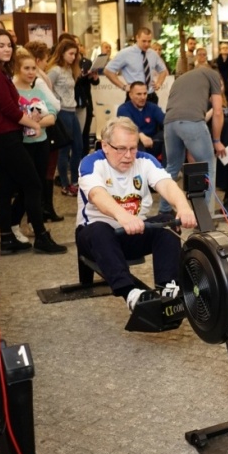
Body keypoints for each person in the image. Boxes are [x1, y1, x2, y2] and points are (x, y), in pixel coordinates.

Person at [76, 117, 197, 311]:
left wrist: (183, 207)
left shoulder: (145, 160)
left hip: (132, 234)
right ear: (105, 146)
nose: (129, 155)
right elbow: (97, 195)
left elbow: (167, 185)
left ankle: (168, 289)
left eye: (133, 148)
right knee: (99, 230)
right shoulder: (91, 163)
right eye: (121, 149)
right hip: (95, 238)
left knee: (167, 222)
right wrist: (123, 217)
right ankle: (130, 293)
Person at [0, 28, 67, 254]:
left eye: (9, 45)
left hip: (7, 135)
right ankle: (41, 236)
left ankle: (7, 238)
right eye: (1, 45)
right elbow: (8, 108)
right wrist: (34, 123)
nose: (6, 49)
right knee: (33, 184)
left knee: (7, 188)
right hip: (6, 137)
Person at [159, 65, 225, 214]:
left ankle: (164, 210)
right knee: (208, 167)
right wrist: (217, 140)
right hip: (192, 122)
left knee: (172, 167)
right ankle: (204, 217)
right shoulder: (212, 73)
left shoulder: (181, 78)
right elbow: (218, 111)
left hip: (169, 122)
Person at [8, 47, 58, 246]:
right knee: (28, 187)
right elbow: (14, 118)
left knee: (35, 186)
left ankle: (32, 226)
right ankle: (19, 225)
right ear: (17, 70)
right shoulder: (12, 90)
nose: (31, 72)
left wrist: (36, 123)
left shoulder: (38, 89)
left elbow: (52, 115)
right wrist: (33, 122)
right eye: (26, 68)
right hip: (22, 145)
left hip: (41, 143)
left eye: (33, 68)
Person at [48, 38, 85, 196]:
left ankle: (75, 181)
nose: (73, 57)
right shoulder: (55, 70)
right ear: (61, 53)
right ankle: (65, 183)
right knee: (64, 150)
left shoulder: (70, 69)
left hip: (72, 110)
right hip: (61, 111)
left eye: (75, 54)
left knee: (79, 147)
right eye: (70, 54)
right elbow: (47, 89)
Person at [104, 28, 168, 105]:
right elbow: (108, 71)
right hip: (134, 98)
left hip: (151, 96)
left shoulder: (153, 54)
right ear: (137, 38)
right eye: (144, 41)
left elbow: (163, 70)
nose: (147, 44)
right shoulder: (125, 53)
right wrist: (123, 86)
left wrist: (159, 83)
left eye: (149, 41)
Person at [117, 81, 165, 164]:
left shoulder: (153, 107)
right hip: (134, 143)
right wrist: (141, 136)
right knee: (136, 142)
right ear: (130, 95)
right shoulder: (123, 109)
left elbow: (165, 121)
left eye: (145, 94)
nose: (143, 97)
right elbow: (129, 126)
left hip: (153, 142)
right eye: (139, 94)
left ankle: (166, 171)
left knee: (169, 135)